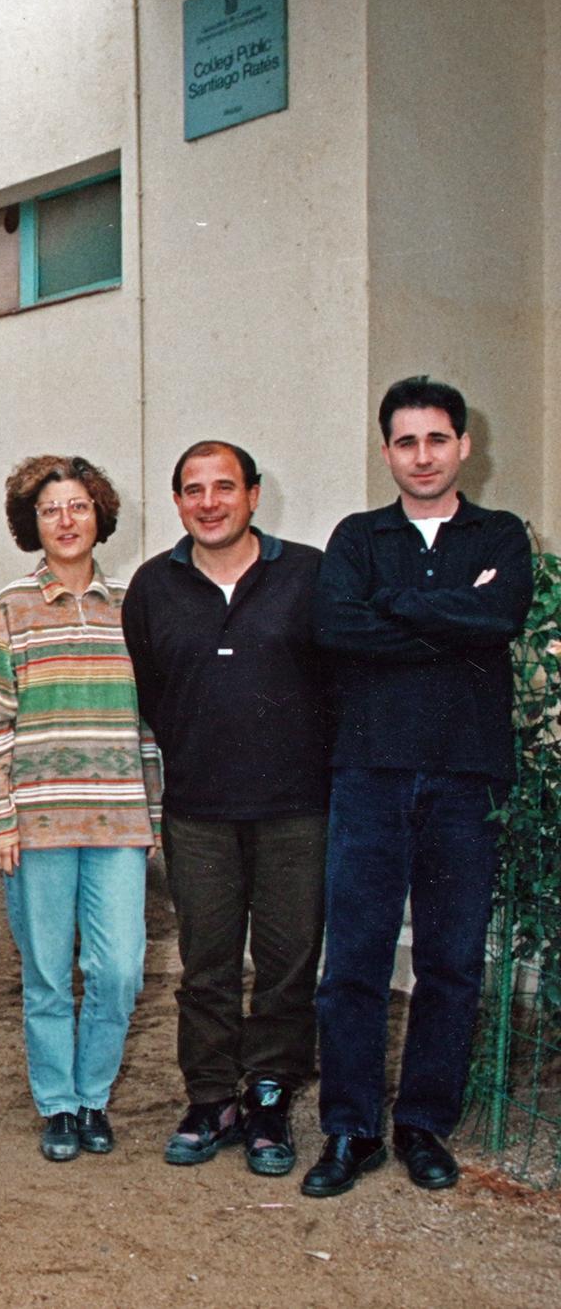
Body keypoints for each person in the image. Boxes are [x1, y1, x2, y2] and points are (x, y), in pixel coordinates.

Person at [303, 376, 533, 1198]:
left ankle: (424, 1124)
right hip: (369, 773)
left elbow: (499, 618)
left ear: (463, 445)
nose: (423, 455)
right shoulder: (358, 537)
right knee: (355, 960)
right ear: (387, 450)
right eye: (406, 441)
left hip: (465, 778)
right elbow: (335, 625)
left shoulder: (501, 534)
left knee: (451, 961)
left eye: (437, 439)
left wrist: (396, 612)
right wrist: (445, 614)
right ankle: (351, 1128)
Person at [123, 442, 330, 1177]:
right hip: (199, 809)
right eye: (192, 489)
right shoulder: (153, 585)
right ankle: (211, 1097)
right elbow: (150, 692)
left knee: (287, 961)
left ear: (254, 494)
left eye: (224, 487)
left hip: (297, 810)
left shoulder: (306, 573)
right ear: (177, 502)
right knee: (205, 962)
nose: (209, 502)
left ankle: (269, 1096)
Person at [0, 455, 161, 1164]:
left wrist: (154, 810)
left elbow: (150, 721)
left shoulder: (132, 606)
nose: (65, 519)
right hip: (37, 823)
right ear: (34, 522)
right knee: (49, 973)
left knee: (120, 970)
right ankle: (60, 1103)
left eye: (78, 505)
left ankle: (95, 1094)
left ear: (99, 515)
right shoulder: (11, 607)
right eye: (51, 507)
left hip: (119, 820)